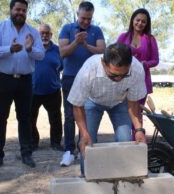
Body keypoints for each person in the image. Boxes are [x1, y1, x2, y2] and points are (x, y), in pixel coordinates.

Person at [68, 43, 147, 175]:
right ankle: (86, 178)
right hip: (92, 102)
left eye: (124, 75)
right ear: (103, 63)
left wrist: (139, 130)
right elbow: (77, 104)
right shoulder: (89, 69)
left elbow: (133, 103)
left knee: (125, 140)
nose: (118, 79)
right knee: (87, 144)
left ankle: (122, 180)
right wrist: (84, 133)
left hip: (120, 102)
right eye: (113, 75)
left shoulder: (137, 69)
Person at [0, 0, 44, 168]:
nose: (20, 13)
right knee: (0, 117)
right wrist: (10, 49)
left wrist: (29, 49)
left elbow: (40, 54)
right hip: (3, 79)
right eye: (17, 9)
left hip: (25, 80)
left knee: (25, 118)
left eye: (24, 10)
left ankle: (26, 154)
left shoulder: (33, 32)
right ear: (11, 10)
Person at [58, 1, 105, 166]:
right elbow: (62, 52)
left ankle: (85, 147)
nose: (86, 22)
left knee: (88, 114)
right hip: (70, 77)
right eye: (83, 18)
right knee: (70, 115)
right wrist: (76, 42)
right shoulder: (67, 29)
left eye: (89, 19)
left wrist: (85, 45)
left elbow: (102, 51)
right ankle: (69, 151)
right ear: (78, 14)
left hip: (92, 79)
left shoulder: (96, 30)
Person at [117, 8, 159, 139]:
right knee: (124, 112)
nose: (140, 23)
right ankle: (125, 141)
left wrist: (145, 64)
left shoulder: (150, 39)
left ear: (147, 24)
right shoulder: (123, 37)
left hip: (142, 81)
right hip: (123, 80)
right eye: (138, 20)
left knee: (137, 112)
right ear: (132, 21)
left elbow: (156, 60)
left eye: (144, 21)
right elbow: (115, 55)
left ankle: (138, 141)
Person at [30, 23, 63, 151]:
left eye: (47, 33)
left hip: (53, 90)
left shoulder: (57, 50)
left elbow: (61, 67)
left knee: (55, 118)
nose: (44, 35)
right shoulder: (31, 49)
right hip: (33, 90)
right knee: (30, 118)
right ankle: (33, 143)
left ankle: (55, 143)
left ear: (51, 35)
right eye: (42, 33)